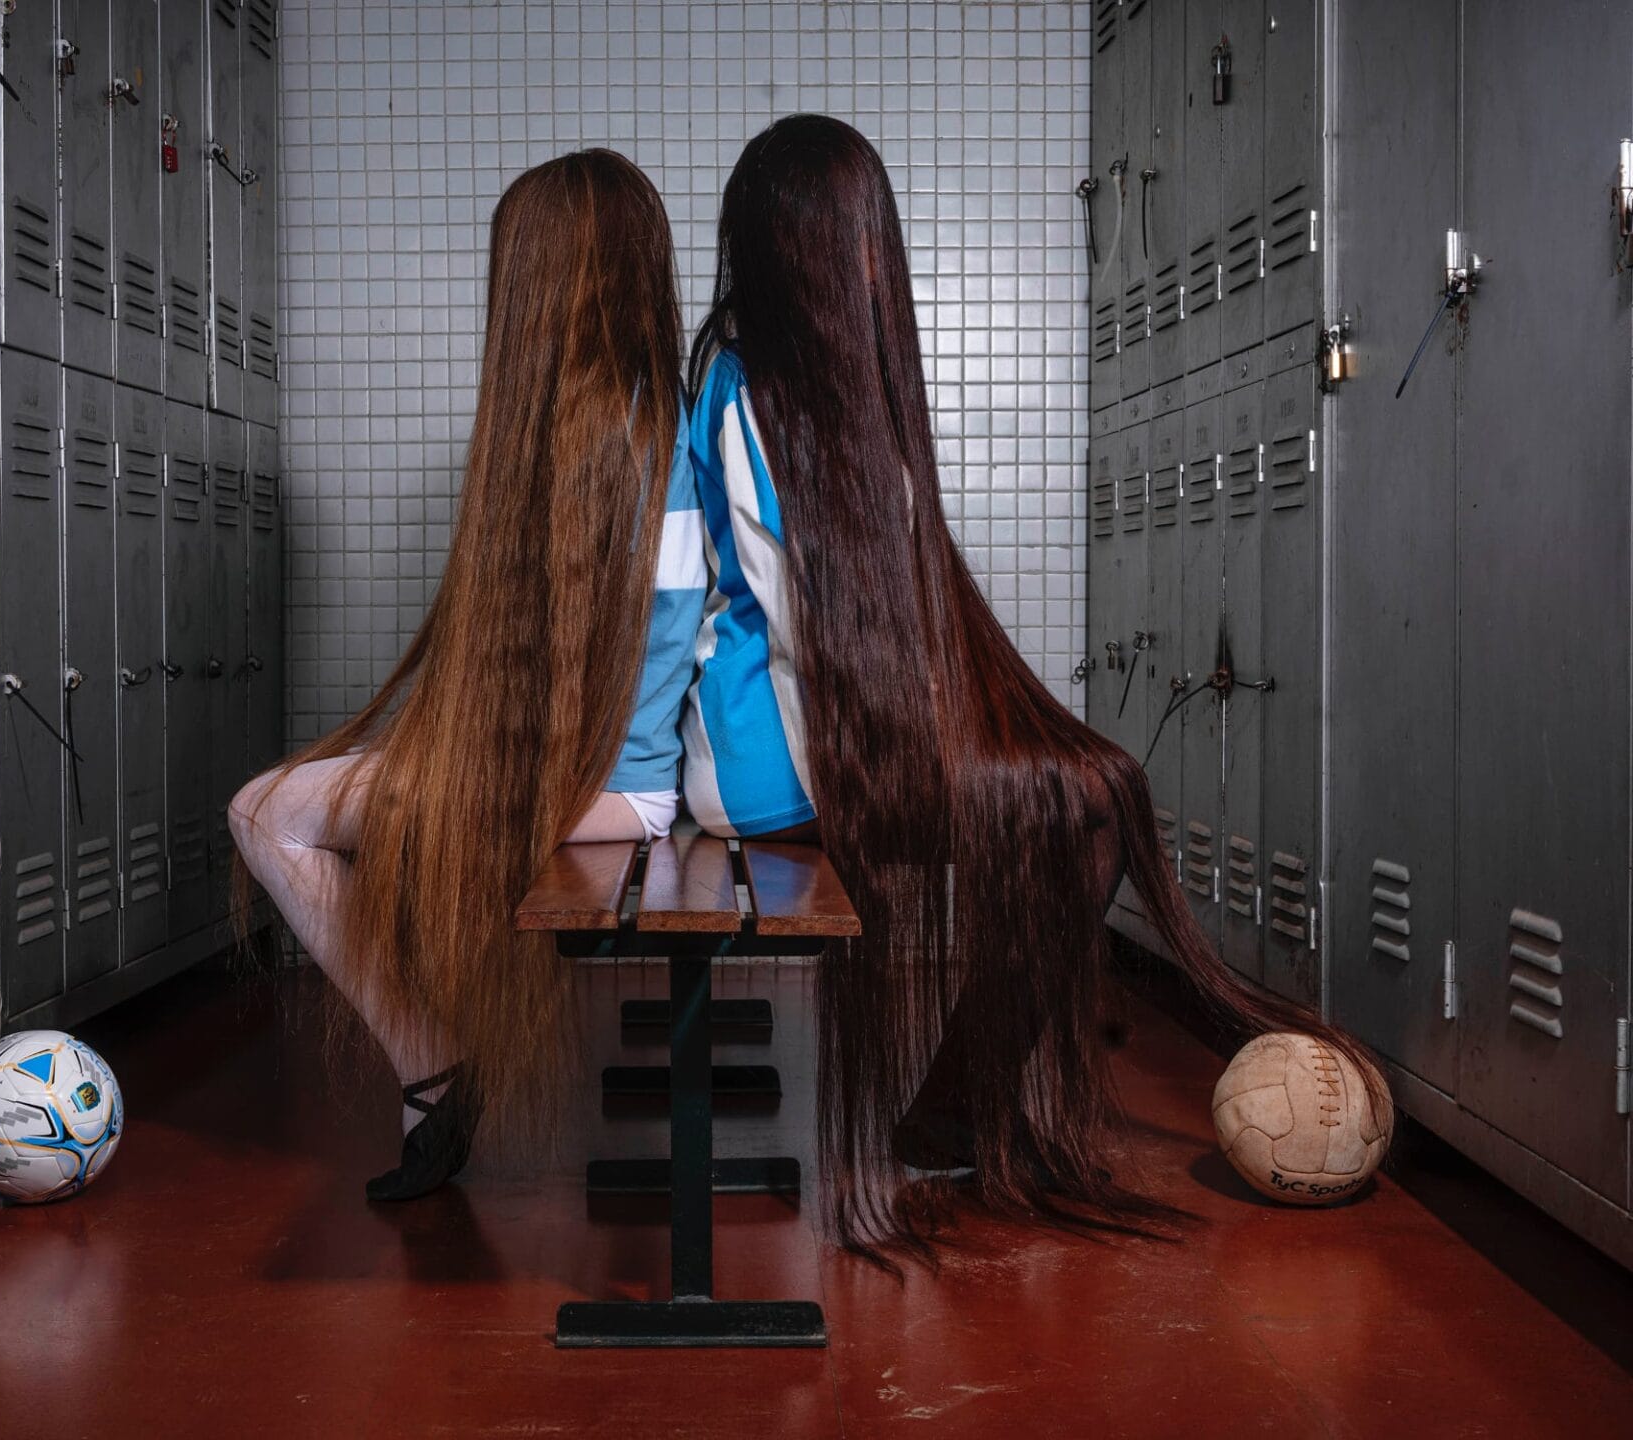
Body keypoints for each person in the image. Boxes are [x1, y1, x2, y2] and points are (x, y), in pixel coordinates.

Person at [680, 114, 1387, 1253]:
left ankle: (956, 1103)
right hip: (773, 760)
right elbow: (809, 625)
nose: (878, 261)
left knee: (1094, 793)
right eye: (860, 237)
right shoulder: (744, 390)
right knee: (1079, 806)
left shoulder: (838, 389)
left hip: (831, 737)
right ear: (809, 246)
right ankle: (952, 1109)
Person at [230, 149, 703, 1202]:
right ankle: (437, 1068)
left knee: (266, 814)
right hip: (627, 786)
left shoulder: (588, 442)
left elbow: (562, 692)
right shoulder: (666, 423)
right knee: (315, 798)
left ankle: (430, 1070)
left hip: (595, 791)